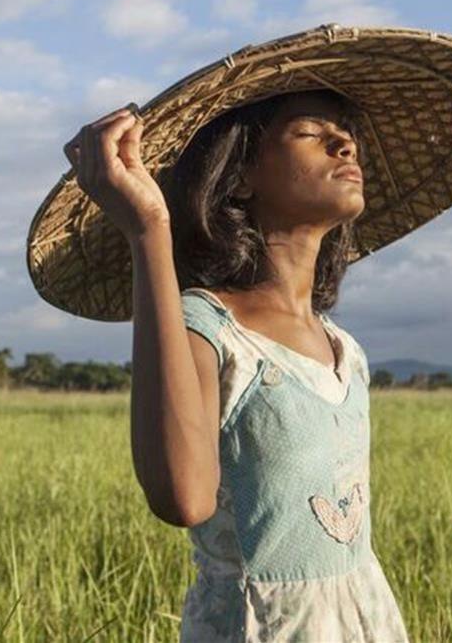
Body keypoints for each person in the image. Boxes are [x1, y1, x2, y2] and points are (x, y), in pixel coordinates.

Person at [63, 87, 411, 640]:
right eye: (309, 133)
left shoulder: (346, 349)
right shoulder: (210, 327)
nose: (345, 144)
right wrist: (148, 228)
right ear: (243, 176)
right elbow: (186, 498)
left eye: (347, 136)